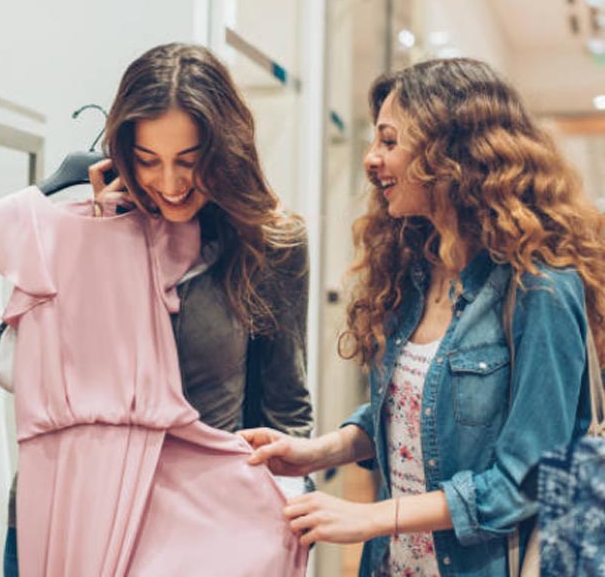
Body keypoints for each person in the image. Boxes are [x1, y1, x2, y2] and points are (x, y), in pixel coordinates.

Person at [240, 57, 605, 576]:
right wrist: (316, 452)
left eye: (389, 142)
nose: (371, 159)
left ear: (452, 153)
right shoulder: (415, 268)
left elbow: (524, 480)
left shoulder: (540, 287)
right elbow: (414, 413)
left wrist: (371, 518)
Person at [1, 42, 313, 575]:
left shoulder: (270, 242)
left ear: (225, 151)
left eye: (190, 163)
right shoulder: (82, 227)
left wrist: (282, 531)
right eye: (148, 161)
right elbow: (11, 368)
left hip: (202, 529)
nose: (169, 184)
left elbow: (286, 408)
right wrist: (98, 239)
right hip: (71, 512)